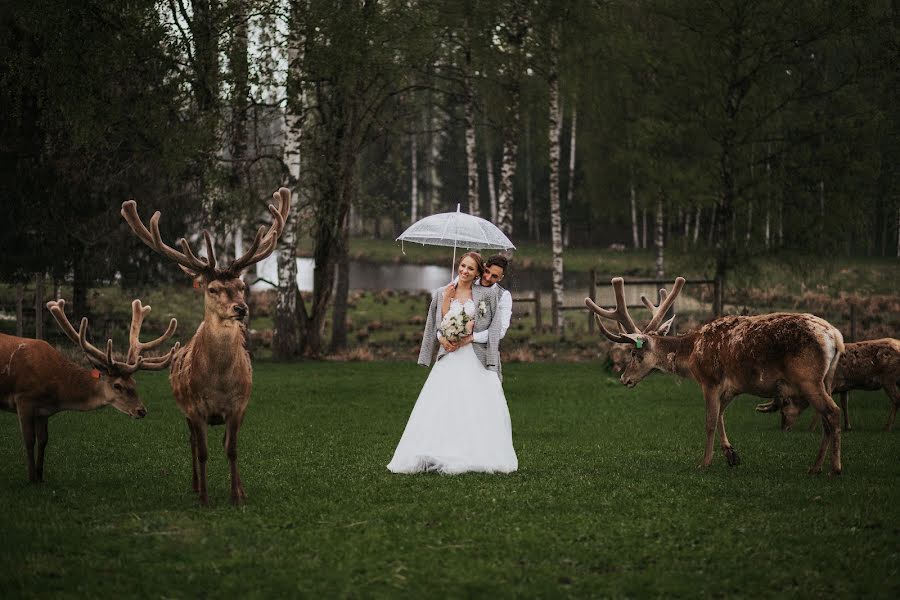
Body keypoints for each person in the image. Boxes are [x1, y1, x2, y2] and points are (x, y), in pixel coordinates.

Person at [387, 252, 518, 474]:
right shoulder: (447, 290)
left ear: (501, 277)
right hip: (450, 354)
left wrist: (469, 338)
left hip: (477, 354)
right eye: (485, 271)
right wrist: (443, 339)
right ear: (481, 269)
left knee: (479, 404)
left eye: (493, 276)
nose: (487, 277)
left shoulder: (496, 296)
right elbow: (439, 321)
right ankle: (435, 449)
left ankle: (479, 453)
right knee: (444, 401)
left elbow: (498, 330)